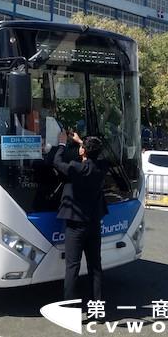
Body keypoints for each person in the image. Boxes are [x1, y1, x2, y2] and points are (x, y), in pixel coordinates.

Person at [52, 130, 108, 309]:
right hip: (93, 224)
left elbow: (57, 162)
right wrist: (80, 141)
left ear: (83, 151)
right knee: (95, 267)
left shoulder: (77, 168)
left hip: (75, 225)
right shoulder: (102, 167)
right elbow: (96, 153)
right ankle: (96, 309)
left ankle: (68, 308)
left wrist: (62, 144)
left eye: (83, 146)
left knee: (72, 267)